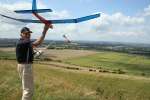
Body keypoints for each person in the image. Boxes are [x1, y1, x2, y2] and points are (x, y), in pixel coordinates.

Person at [16, 24, 51, 100]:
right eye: (25, 33)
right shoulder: (24, 42)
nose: (28, 35)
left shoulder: (23, 43)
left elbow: (31, 52)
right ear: (21, 34)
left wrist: (37, 53)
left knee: (26, 89)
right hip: (26, 67)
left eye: (29, 33)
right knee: (28, 91)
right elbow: (38, 43)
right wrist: (45, 30)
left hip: (24, 66)